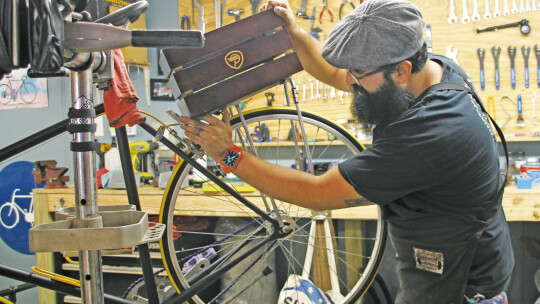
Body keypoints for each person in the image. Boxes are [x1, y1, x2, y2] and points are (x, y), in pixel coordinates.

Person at [177, 0, 515, 302]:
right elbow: (336, 73)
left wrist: (228, 154)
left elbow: (316, 193)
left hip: (462, 287)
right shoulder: (432, 71)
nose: (349, 81)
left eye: (359, 73)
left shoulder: (431, 133)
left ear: (401, 70)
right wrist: (294, 33)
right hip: (446, 258)